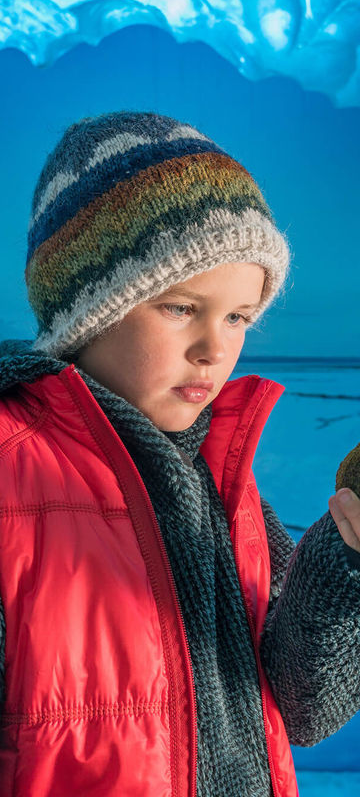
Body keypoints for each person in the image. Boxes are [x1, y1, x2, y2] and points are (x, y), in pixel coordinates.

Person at [0, 110, 359, 797]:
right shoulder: (11, 475)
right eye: (179, 308)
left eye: (237, 318)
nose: (214, 350)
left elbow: (305, 708)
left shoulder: (221, 483)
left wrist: (345, 566)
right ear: (87, 309)